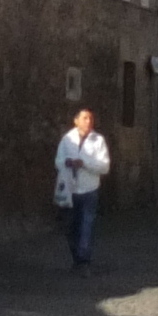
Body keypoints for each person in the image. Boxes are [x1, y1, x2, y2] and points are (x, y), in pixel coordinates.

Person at [51, 109, 113, 271]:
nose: (88, 121)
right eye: (85, 118)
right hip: (70, 189)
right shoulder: (67, 140)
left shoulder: (98, 140)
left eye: (90, 118)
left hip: (89, 189)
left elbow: (104, 166)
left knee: (87, 225)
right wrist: (68, 162)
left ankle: (84, 260)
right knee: (70, 226)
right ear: (76, 121)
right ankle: (76, 258)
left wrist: (84, 163)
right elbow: (58, 161)